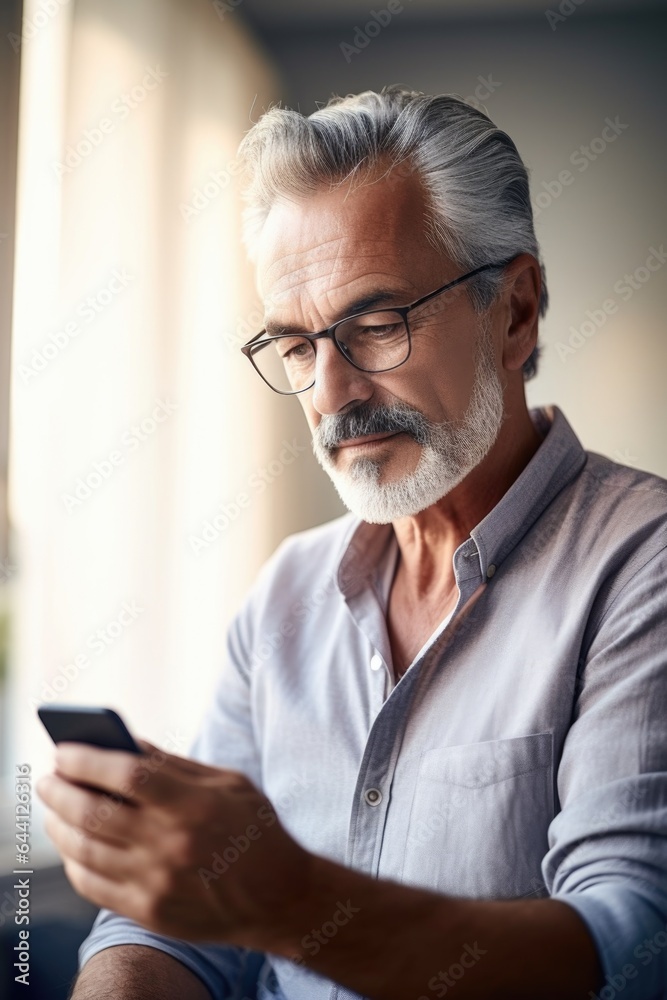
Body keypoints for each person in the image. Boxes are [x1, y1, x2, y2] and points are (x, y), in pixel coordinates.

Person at [37, 87, 667, 1000]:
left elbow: (629, 953)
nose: (330, 392)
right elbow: (172, 934)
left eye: (374, 324)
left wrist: (284, 901)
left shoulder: (641, 565)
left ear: (516, 311)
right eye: (295, 347)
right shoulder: (286, 594)